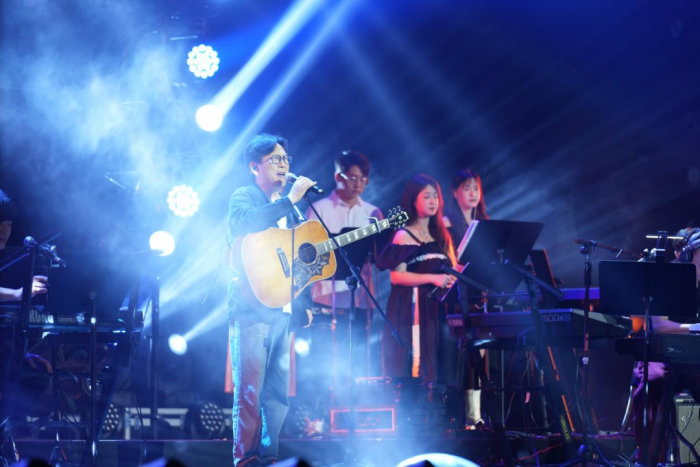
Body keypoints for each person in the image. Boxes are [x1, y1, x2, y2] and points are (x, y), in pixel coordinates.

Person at [227, 134, 316, 467]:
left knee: (278, 394)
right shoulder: (244, 196)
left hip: (284, 309)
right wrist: (290, 200)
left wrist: (306, 303)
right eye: (275, 159)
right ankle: (246, 460)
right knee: (250, 390)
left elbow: (302, 259)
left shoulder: (293, 212)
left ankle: (270, 457)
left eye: (285, 159)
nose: (283, 165)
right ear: (255, 167)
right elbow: (248, 221)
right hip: (251, 308)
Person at [305, 150, 384, 378]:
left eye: (363, 179)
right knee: (324, 364)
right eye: (352, 178)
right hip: (324, 299)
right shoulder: (318, 209)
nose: (358, 184)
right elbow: (307, 254)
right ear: (338, 176)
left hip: (359, 301)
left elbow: (379, 256)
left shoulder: (372, 213)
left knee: (357, 361)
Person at [377, 174, 456, 384]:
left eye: (435, 196)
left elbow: (453, 268)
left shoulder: (441, 235)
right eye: (426, 196)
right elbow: (397, 276)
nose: (433, 201)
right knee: (417, 363)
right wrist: (433, 278)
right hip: (412, 307)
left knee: (442, 362)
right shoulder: (403, 235)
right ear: (413, 200)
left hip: (438, 309)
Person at [632, 228, 700, 460]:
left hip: (694, 358)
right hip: (662, 356)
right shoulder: (666, 278)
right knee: (651, 385)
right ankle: (649, 458)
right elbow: (660, 325)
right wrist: (695, 328)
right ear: (689, 255)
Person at [443, 169, 489, 429]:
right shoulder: (447, 224)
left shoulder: (484, 223)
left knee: (480, 355)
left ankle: (477, 415)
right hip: (457, 295)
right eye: (467, 188)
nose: (473, 194)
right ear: (455, 192)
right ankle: (462, 417)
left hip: (480, 294)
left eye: (476, 188)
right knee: (462, 356)